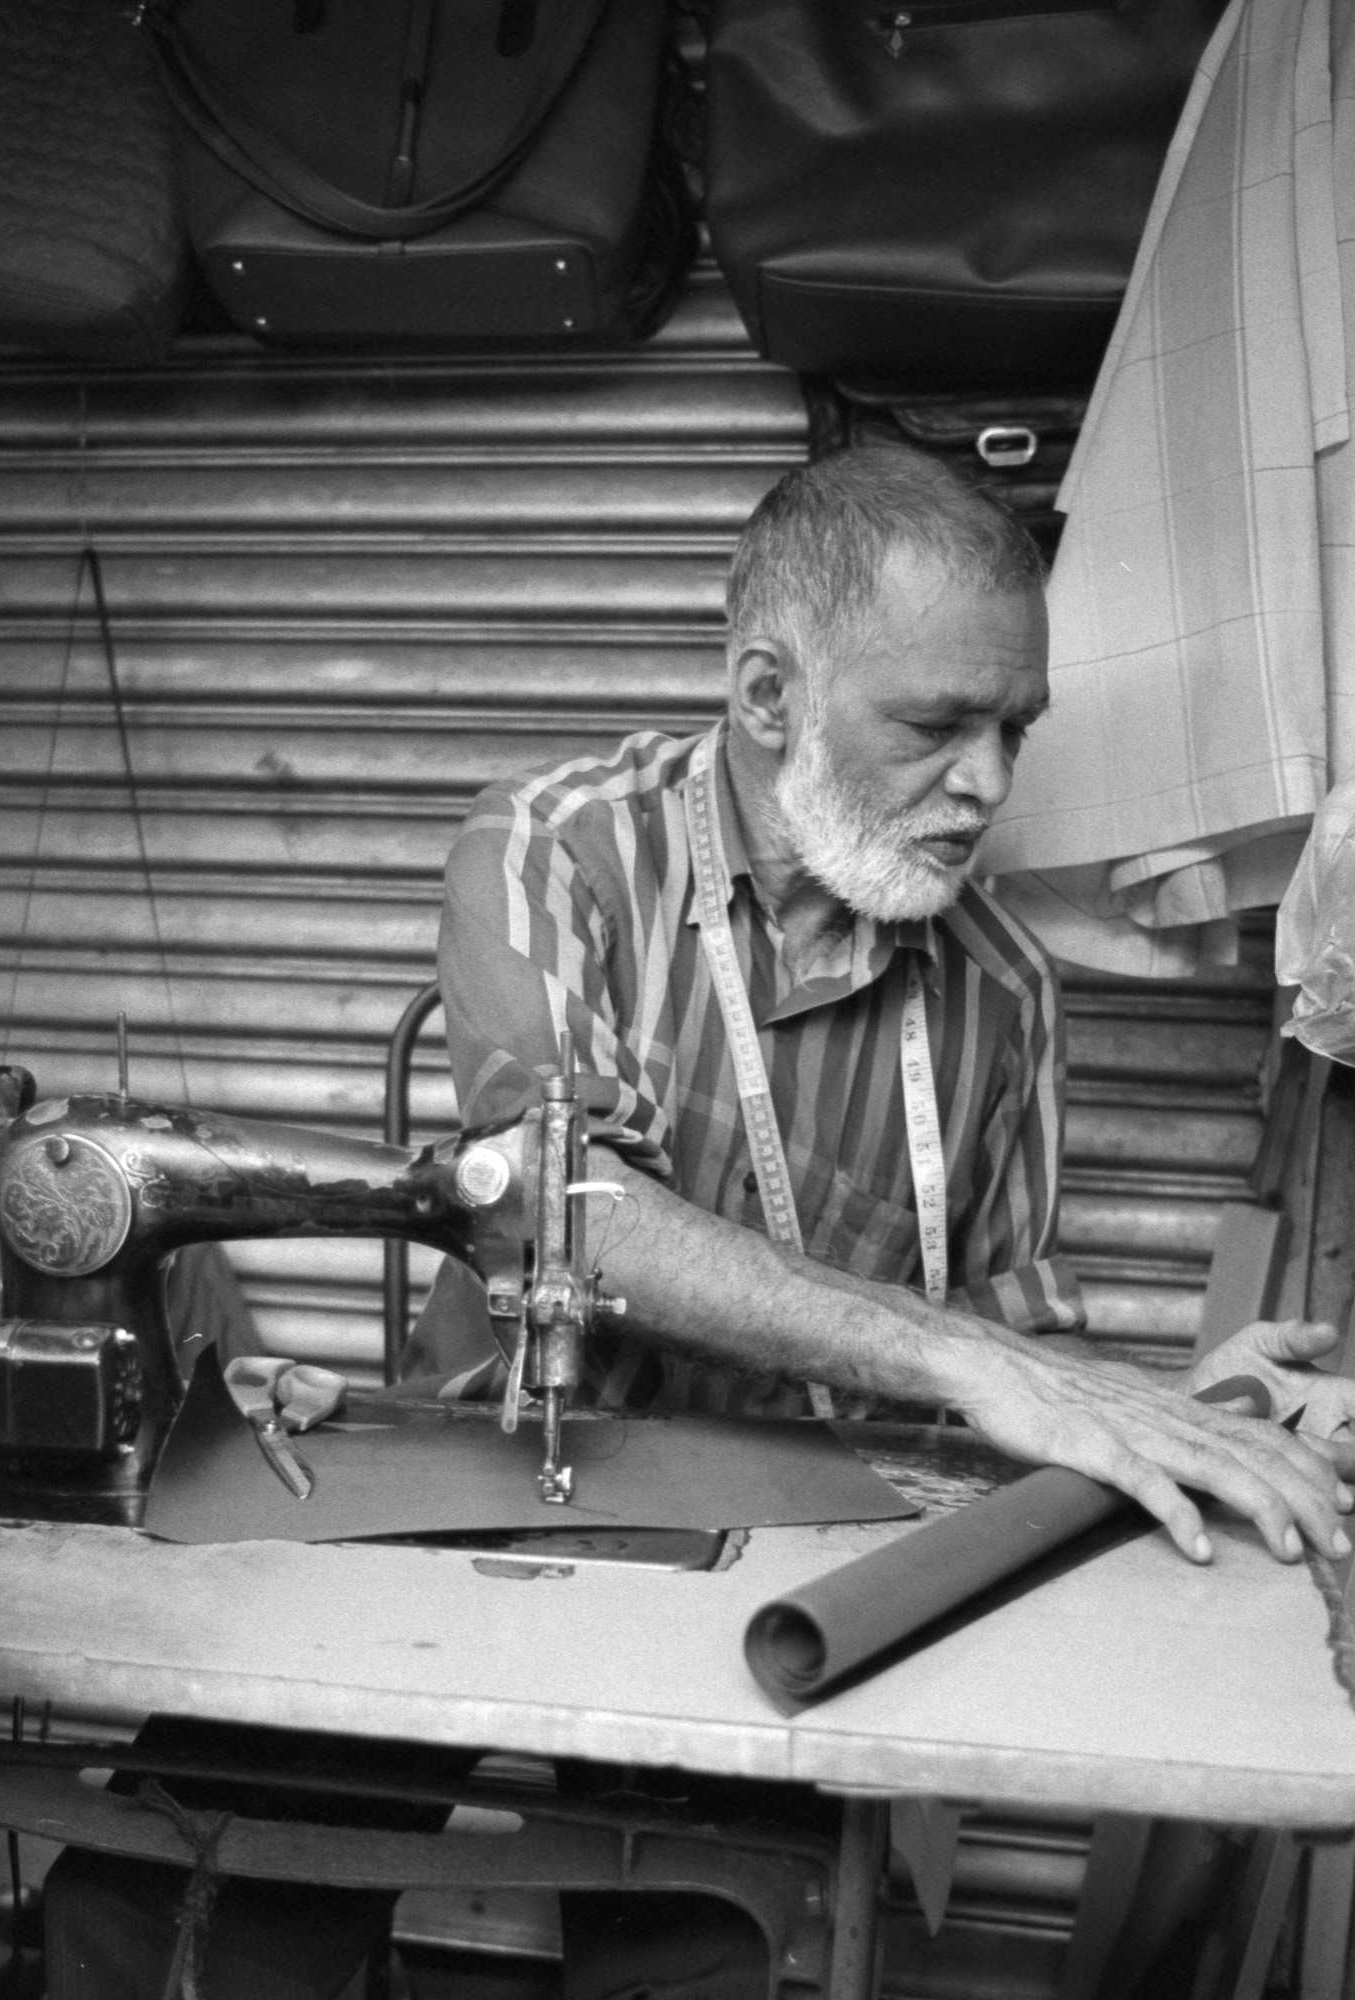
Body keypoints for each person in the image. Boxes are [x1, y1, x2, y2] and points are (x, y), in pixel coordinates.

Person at [419, 442, 1355, 1569]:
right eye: (936, 726)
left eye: (1016, 728)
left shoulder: (1005, 986)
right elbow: (567, 1214)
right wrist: (962, 1361)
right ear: (770, 695)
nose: (992, 783)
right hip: (511, 1493)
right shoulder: (555, 853)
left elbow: (1017, 1355)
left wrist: (1183, 1406)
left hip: (815, 1537)